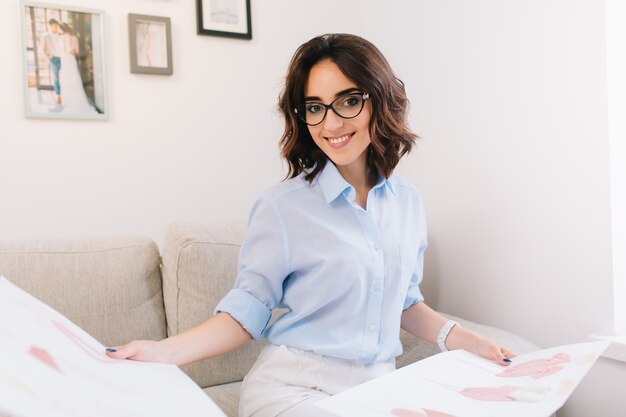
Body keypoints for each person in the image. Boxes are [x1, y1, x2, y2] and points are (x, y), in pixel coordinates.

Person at [106, 33, 514, 417]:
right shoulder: (282, 208)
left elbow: (405, 303)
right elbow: (247, 311)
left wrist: (470, 341)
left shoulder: (407, 202)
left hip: (377, 389)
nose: (330, 124)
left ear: (380, 100)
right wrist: (162, 352)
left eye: (347, 101)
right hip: (294, 388)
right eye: (315, 107)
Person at [56, 23, 97, 115]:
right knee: (70, 78)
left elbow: (66, 51)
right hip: (68, 59)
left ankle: (70, 101)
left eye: (59, 28)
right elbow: (75, 52)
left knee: (70, 78)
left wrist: (69, 48)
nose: (58, 30)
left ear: (62, 29)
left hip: (67, 59)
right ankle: (70, 101)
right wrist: (70, 49)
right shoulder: (70, 38)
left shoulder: (66, 38)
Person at [42, 19, 64, 109]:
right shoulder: (45, 36)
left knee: (64, 77)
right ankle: (58, 95)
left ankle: (65, 94)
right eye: (55, 26)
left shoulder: (60, 34)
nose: (56, 28)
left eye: (57, 26)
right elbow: (42, 49)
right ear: (50, 26)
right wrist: (48, 57)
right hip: (54, 59)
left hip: (63, 59)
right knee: (56, 78)